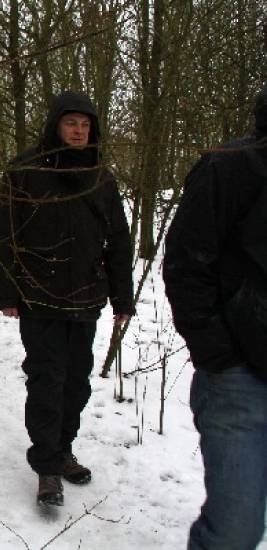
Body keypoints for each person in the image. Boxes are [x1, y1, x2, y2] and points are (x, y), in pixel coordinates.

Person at [0, 91, 134, 506]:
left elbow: (118, 241)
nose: (79, 131)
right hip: (39, 297)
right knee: (47, 380)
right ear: (55, 125)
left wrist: (122, 297)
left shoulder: (101, 177)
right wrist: (6, 291)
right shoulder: (25, 171)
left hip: (85, 297)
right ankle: (48, 467)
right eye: (71, 123)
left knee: (76, 382)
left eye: (86, 125)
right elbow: (4, 236)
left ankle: (63, 448)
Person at [163, 84, 267, 550]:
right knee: (235, 531)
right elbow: (186, 262)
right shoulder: (232, 166)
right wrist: (220, 355)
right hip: (240, 376)